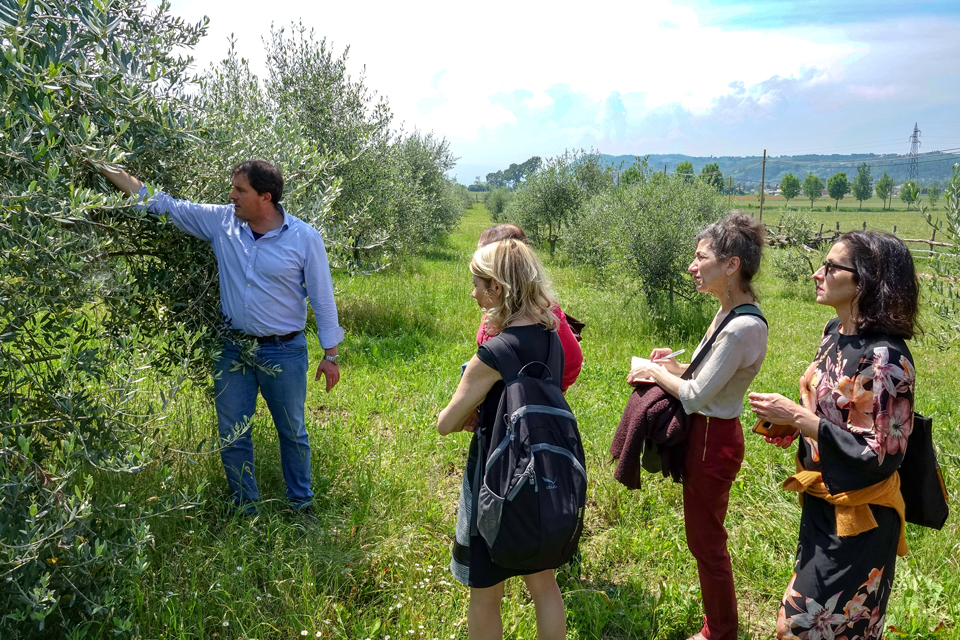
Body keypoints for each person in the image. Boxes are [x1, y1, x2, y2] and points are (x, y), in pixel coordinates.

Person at [98, 160, 344, 514]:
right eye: (233, 188)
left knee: (292, 433)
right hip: (232, 349)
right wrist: (104, 164)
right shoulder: (223, 221)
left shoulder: (304, 238)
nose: (231, 195)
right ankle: (244, 509)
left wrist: (330, 354)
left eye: (240, 190)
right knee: (233, 434)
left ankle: (300, 506)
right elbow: (165, 204)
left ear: (266, 197)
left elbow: (322, 299)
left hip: (284, 351)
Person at [748, 232, 919, 640]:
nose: (816, 274)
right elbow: (835, 413)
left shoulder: (886, 359)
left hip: (860, 517)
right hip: (822, 505)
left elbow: (881, 454)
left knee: (802, 625)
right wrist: (796, 425)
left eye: (830, 267)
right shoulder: (834, 332)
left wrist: (800, 419)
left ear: (865, 280)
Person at [627, 211, 768, 640]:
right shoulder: (729, 312)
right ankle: (717, 626)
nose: (692, 265)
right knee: (703, 540)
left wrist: (655, 375)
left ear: (731, 265)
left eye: (700, 256)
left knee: (706, 544)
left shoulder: (741, 326)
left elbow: (692, 396)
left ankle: (720, 633)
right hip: (709, 435)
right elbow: (704, 377)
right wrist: (675, 366)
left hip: (713, 439)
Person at [437, 239, 567, 640]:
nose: (473, 292)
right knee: (543, 583)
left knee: (485, 592)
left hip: (495, 475)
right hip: (541, 472)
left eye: (477, 283)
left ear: (497, 287)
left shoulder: (495, 350)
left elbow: (446, 422)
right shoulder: (552, 336)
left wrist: (464, 413)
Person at [475, 224, 583, 392]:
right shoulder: (498, 306)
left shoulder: (543, 309)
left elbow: (572, 361)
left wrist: (550, 391)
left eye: (483, 256)